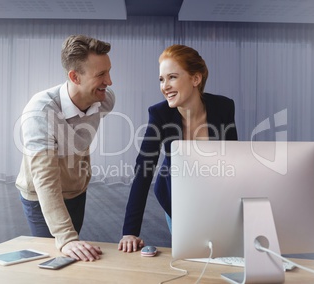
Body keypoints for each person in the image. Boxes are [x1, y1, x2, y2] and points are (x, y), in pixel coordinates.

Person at [118, 44, 238, 253]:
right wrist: (130, 231)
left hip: (215, 193)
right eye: (162, 79)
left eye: (172, 77)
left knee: (223, 253)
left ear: (195, 79)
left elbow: (234, 159)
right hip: (178, 195)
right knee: (192, 254)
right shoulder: (160, 114)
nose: (165, 86)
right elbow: (144, 170)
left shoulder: (223, 107)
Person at [16, 35, 115, 261]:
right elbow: (45, 178)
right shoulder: (40, 111)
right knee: (53, 257)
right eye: (101, 74)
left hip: (76, 189)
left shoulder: (105, 100)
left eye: (108, 71)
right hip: (41, 196)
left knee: (73, 254)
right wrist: (66, 236)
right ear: (74, 77)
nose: (109, 81)